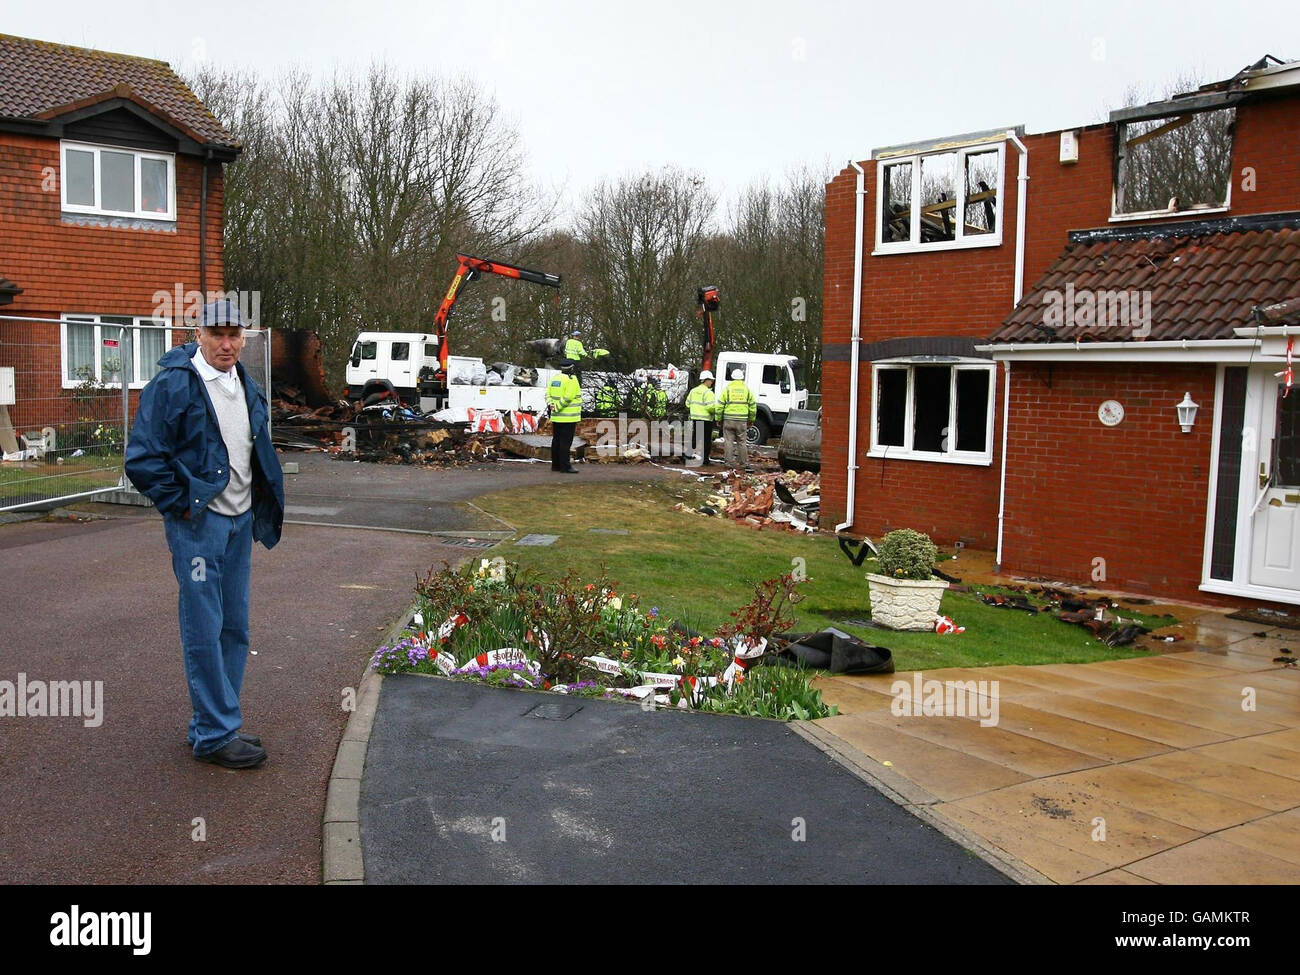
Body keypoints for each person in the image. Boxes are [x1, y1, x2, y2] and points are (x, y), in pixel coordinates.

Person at [125, 299, 285, 769]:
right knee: (204, 626)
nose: (227, 343)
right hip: (200, 525)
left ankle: (216, 721)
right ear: (199, 334)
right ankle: (216, 733)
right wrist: (182, 506)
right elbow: (143, 459)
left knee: (235, 626)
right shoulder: (174, 385)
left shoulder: (245, 383)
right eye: (217, 334)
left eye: (235, 334)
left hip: (239, 523)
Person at [715, 366, 756, 470]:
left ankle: (728, 463)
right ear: (742, 378)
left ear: (732, 377)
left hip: (728, 419)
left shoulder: (727, 389)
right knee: (742, 442)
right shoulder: (747, 390)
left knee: (728, 441)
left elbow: (720, 405)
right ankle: (744, 464)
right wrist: (751, 419)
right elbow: (752, 406)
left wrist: (718, 419)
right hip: (742, 420)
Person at [546, 360, 581, 473]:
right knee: (565, 443)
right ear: (571, 368)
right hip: (569, 417)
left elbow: (548, 394)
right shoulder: (572, 380)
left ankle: (555, 465)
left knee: (556, 441)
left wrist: (551, 405)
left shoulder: (555, 378)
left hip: (556, 417)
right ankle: (565, 466)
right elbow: (568, 397)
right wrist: (558, 407)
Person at [685, 370, 716, 464]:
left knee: (696, 438)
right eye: (711, 380)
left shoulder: (693, 391)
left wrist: (695, 410)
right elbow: (711, 407)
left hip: (695, 418)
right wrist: (717, 411)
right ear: (706, 380)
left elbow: (687, 404)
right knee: (706, 440)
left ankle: (688, 455)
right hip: (706, 419)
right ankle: (705, 460)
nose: (711, 382)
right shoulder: (708, 393)